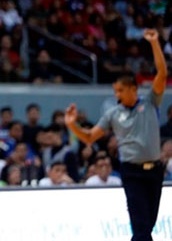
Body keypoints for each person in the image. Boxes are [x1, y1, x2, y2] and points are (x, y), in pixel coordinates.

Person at [65, 29, 167, 241]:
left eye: (120, 90)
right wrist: (72, 125)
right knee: (141, 228)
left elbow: (162, 74)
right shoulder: (113, 114)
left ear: (133, 89)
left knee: (147, 225)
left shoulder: (150, 103)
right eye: (115, 91)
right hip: (131, 172)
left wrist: (155, 43)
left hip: (155, 171)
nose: (116, 95)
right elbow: (89, 137)